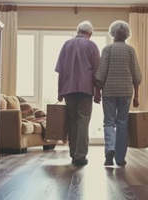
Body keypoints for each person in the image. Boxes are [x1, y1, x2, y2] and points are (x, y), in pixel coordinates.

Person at [94, 20, 142, 166]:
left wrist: (97, 92)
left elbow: (100, 74)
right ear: (127, 34)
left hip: (109, 91)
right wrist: (137, 96)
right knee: (122, 123)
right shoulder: (130, 50)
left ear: (112, 34)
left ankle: (110, 149)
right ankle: (120, 159)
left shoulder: (107, 49)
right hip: (126, 91)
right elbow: (136, 75)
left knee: (109, 122)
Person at [55, 20, 100, 166]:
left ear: (77, 31)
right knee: (83, 121)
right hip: (86, 90)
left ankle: (73, 153)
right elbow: (97, 72)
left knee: (72, 121)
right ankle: (80, 156)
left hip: (68, 89)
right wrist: (98, 92)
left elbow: (60, 71)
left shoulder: (66, 45)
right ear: (90, 33)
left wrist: (59, 92)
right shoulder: (92, 46)